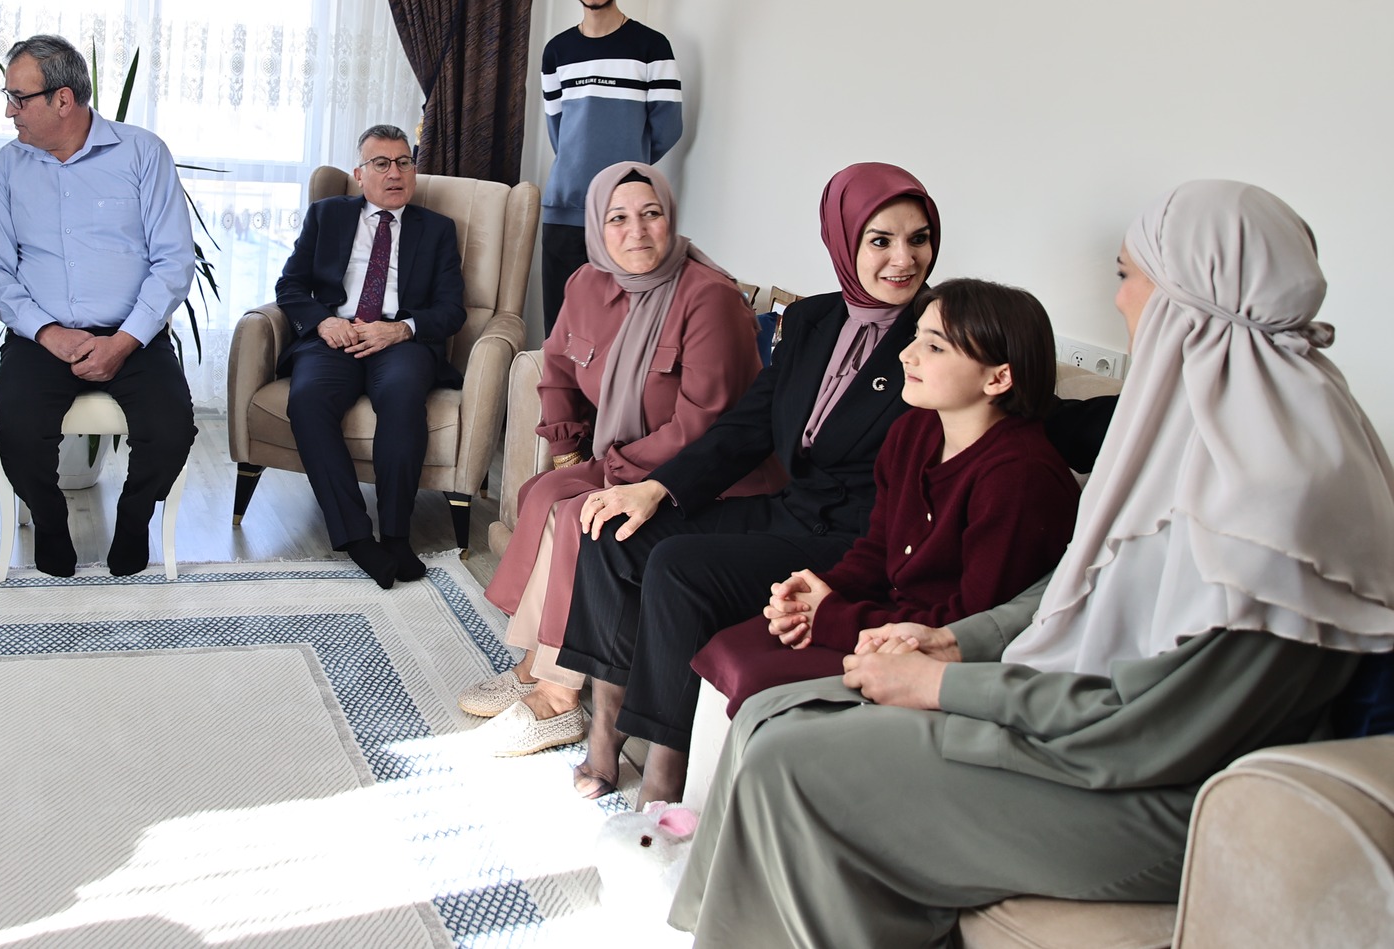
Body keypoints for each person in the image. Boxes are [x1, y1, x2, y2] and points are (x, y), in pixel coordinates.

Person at [672, 181, 1394, 949]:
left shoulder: (1280, 489)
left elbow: (1152, 726)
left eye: (1125, 274)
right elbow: (1083, 580)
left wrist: (941, 683)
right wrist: (956, 642)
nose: (1118, 299)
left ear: (1188, 294)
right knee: (777, 715)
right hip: (1090, 728)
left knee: (793, 763)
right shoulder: (1205, 430)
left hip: (1152, 786)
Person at [551, 162, 943, 802]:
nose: (904, 259)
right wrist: (657, 489)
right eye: (881, 240)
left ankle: (665, 769)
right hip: (789, 511)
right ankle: (607, 724)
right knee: (612, 531)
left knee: (677, 565)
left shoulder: (938, 332)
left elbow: (1023, 402)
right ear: (843, 239)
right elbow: (748, 426)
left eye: (919, 239)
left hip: (854, 540)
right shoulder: (814, 319)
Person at [462, 162, 779, 755]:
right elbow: (558, 369)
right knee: (544, 492)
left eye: (651, 214)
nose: (637, 231)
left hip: (703, 479)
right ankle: (535, 661)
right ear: (596, 227)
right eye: (618, 218)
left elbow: (704, 422)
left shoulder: (710, 298)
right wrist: (567, 453)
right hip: (623, 458)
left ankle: (558, 696)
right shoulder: (587, 284)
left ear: (670, 218)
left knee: (581, 516)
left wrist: (610, 475)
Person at [698, 277, 1080, 718]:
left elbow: (970, 628)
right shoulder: (913, 430)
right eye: (916, 336)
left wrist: (832, 616)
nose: (906, 354)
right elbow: (879, 547)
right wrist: (817, 592)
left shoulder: (1019, 476)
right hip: (889, 618)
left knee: (760, 681)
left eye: (934, 347)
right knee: (733, 646)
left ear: (998, 378)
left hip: (939, 662)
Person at [0, 35, 198, 578]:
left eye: (18, 98)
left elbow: (173, 262)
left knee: (171, 431)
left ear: (63, 99)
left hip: (134, 336)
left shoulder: (143, 152)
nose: (9, 111)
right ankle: (52, 527)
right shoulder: (8, 167)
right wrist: (49, 333)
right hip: (42, 338)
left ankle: (134, 520)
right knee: (18, 435)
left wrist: (123, 342)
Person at [272, 124, 466, 587]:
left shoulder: (437, 229)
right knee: (307, 400)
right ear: (360, 174)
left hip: (398, 341)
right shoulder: (327, 215)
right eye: (381, 163)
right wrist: (324, 323)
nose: (394, 172)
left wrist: (400, 329)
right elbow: (290, 285)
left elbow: (452, 310)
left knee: (402, 397)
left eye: (404, 162)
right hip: (335, 336)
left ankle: (396, 535)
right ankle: (356, 537)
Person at [537, 0, 682, 335]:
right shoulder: (557, 52)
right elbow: (558, 131)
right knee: (561, 332)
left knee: (620, 332)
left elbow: (668, 128)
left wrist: (625, 168)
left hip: (625, 215)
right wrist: (579, 163)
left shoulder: (651, 48)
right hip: (565, 211)